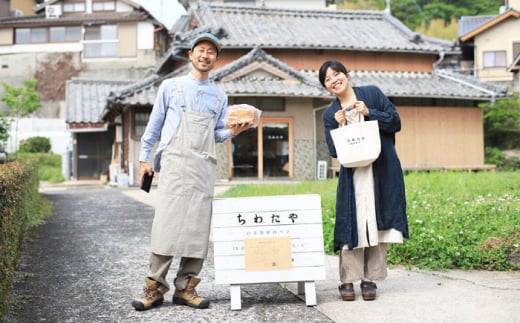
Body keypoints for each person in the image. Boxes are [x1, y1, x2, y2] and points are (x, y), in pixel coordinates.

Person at [132, 32, 252, 311]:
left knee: (198, 228)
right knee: (166, 225)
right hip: (174, 163)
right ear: (190, 54)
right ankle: (154, 289)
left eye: (211, 52)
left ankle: (185, 288)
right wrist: (143, 159)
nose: (205, 55)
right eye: (201, 49)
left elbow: (217, 134)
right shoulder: (170, 87)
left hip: (203, 166)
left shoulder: (220, 95)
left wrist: (234, 131)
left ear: (216, 59)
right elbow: (154, 126)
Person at [318, 60, 408, 301]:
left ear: (347, 75)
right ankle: (347, 280)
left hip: (381, 170)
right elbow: (334, 152)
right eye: (328, 79)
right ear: (326, 87)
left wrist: (370, 112)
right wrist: (339, 126)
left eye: (337, 74)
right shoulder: (330, 114)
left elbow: (395, 122)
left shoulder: (372, 94)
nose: (334, 80)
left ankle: (370, 279)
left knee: (377, 224)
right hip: (353, 176)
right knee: (353, 224)